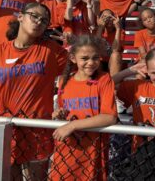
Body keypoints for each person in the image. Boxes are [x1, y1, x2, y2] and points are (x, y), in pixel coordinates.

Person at [0, 2, 68, 180]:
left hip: (37, 129)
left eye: (44, 20)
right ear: (21, 17)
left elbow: (86, 68)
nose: (39, 21)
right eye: (34, 16)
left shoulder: (51, 52)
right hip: (3, 128)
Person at [50, 35, 117, 181]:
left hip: (92, 150)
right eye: (85, 58)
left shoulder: (104, 79)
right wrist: (59, 115)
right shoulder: (64, 81)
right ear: (73, 58)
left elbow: (109, 117)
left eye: (95, 58)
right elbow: (65, 113)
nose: (91, 63)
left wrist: (72, 125)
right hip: (67, 149)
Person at [96, 9, 125, 75]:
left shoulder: (120, 32)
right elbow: (95, 47)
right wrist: (100, 27)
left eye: (109, 17)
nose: (107, 20)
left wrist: (118, 29)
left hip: (113, 62)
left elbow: (115, 49)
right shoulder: (96, 31)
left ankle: (114, 83)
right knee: (94, 55)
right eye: (104, 17)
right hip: (99, 63)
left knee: (115, 55)